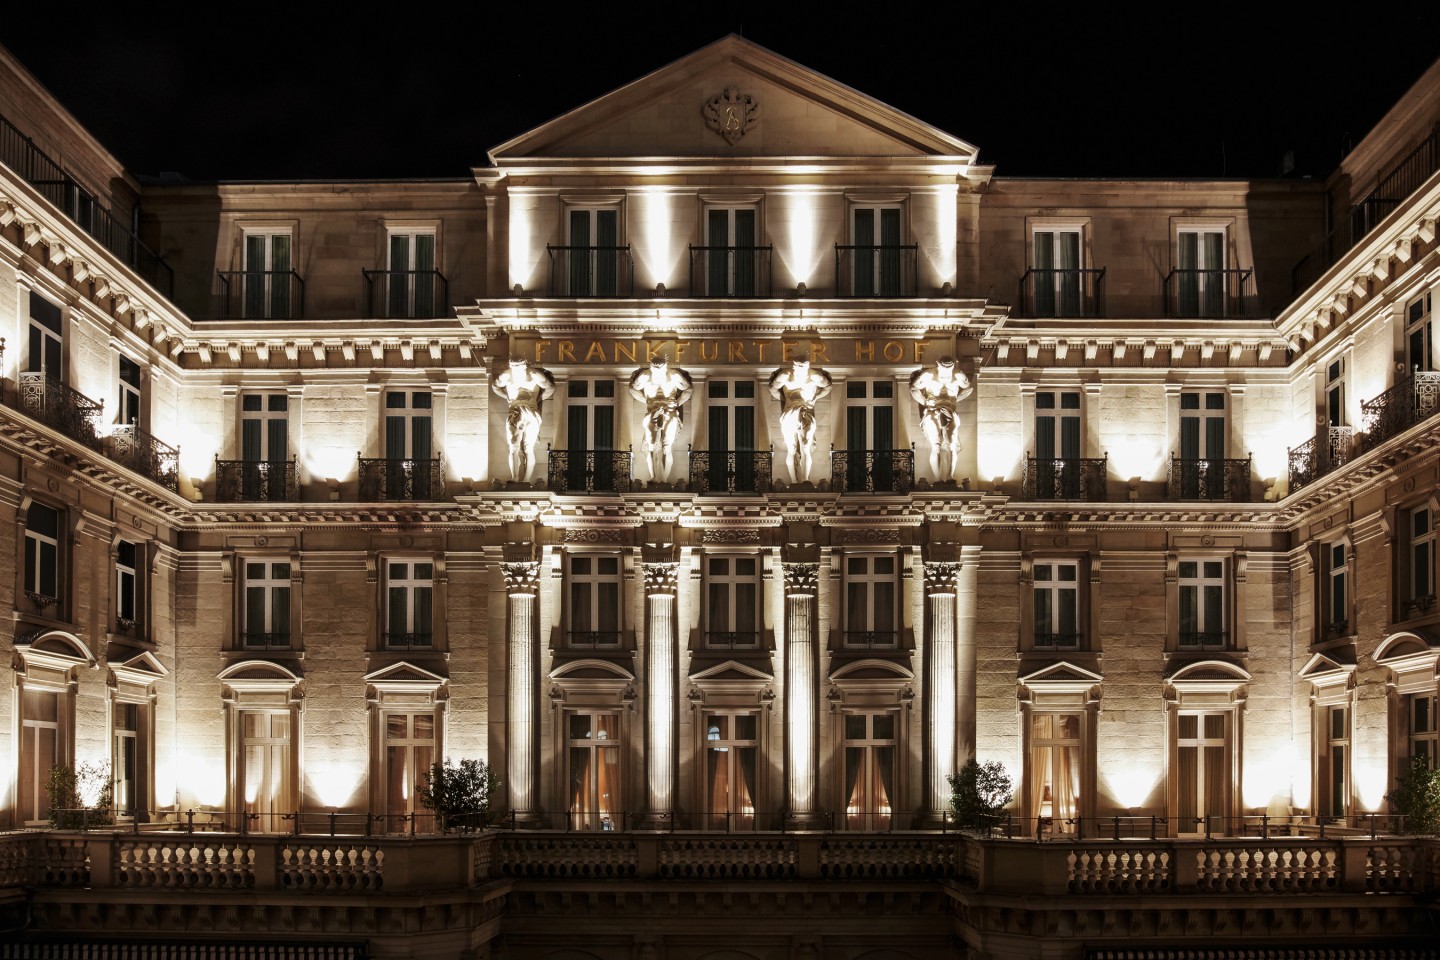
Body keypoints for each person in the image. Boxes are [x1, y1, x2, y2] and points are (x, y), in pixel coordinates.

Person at [768, 359, 833, 485]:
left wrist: (815, 398)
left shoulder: (814, 376)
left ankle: (806, 479)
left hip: (806, 412)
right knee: (791, 449)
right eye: (799, 367)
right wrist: (785, 400)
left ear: (808, 366)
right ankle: (793, 481)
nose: (801, 369)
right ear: (794, 367)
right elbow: (772, 388)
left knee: (805, 448)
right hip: (789, 414)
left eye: (804, 367)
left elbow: (828, 386)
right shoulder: (786, 376)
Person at [908, 356, 972, 482]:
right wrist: (926, 401)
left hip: (949, 411)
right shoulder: (928, 375)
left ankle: (949, 476)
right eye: (944, 369)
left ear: (953, 367)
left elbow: (969, 389)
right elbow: (914, 389)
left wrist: (954, 401)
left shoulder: (958, 375)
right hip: (932, 411)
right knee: (936, 446)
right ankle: (937, 479)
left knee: (951, 446)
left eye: (949, 369)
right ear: (938, 365)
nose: (946, 373)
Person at [628, 360, 694, 483]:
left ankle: (664, 480)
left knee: (667, 446)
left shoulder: (673, 376)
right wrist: (645, 400)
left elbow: (689, 390)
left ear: (665, 367)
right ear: (651, 367)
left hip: (670, 412)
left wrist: (678, 402)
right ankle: (653, 477)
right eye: (655, 369)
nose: (658, 373)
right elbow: (632, 389)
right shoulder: (645, 376)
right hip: (652, 412)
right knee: (652, 446)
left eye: (661, 370)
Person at [492, 357, 555, 484]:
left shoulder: (535, 375)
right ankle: (514, 477)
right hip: (515, 410)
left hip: (531, 411)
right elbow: (495, 387)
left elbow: (550, 388)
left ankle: (526, 479)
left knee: (528, 447)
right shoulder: (506, 376)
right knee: (513, 445)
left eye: (519, 367)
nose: (516, 371)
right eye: (514, 367)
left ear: (525, 366)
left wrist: (537, 400)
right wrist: (508, 398)